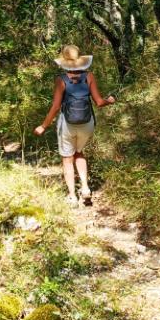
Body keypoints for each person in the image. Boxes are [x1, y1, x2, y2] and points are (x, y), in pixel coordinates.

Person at [34, 44, 115, 206]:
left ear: (64, 61)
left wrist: (43, 126)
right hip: (87, 124)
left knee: (67, 158)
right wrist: (110, 100)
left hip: (68, 124)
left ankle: (72, 195)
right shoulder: (89, 76)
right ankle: (85, 188)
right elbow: (99, 102)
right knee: (79, 152)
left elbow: (56, 107)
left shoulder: (61, 80)